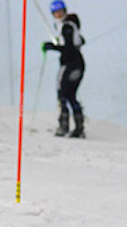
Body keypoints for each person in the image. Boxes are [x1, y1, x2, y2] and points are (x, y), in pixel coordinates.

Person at [42, 0, 86, 138]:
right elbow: (80, 41)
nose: (58, 14)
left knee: (63, 93)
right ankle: (78, 127)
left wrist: (52, 46)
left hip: (71, 64)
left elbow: (68, 49)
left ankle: (64, 125)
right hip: (77, 63)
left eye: (60, 11)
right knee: (70, 95)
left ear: (64, 11)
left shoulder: (67, 27)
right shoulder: (69, 25)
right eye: (55, 12)